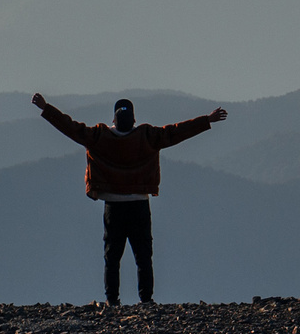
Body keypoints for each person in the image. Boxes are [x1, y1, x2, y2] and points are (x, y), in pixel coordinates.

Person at [31, 93, 227, 306]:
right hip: (139, 203)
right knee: (143, 257)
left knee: (112, 257)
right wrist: (207, 120)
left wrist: (46, 108)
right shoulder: (148, 136)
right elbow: (176, 132)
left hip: (113, 205)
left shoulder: (99, 136)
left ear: (113, 120)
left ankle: (112, 300)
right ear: (134, 119)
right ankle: (146, 299)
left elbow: (70, 127)